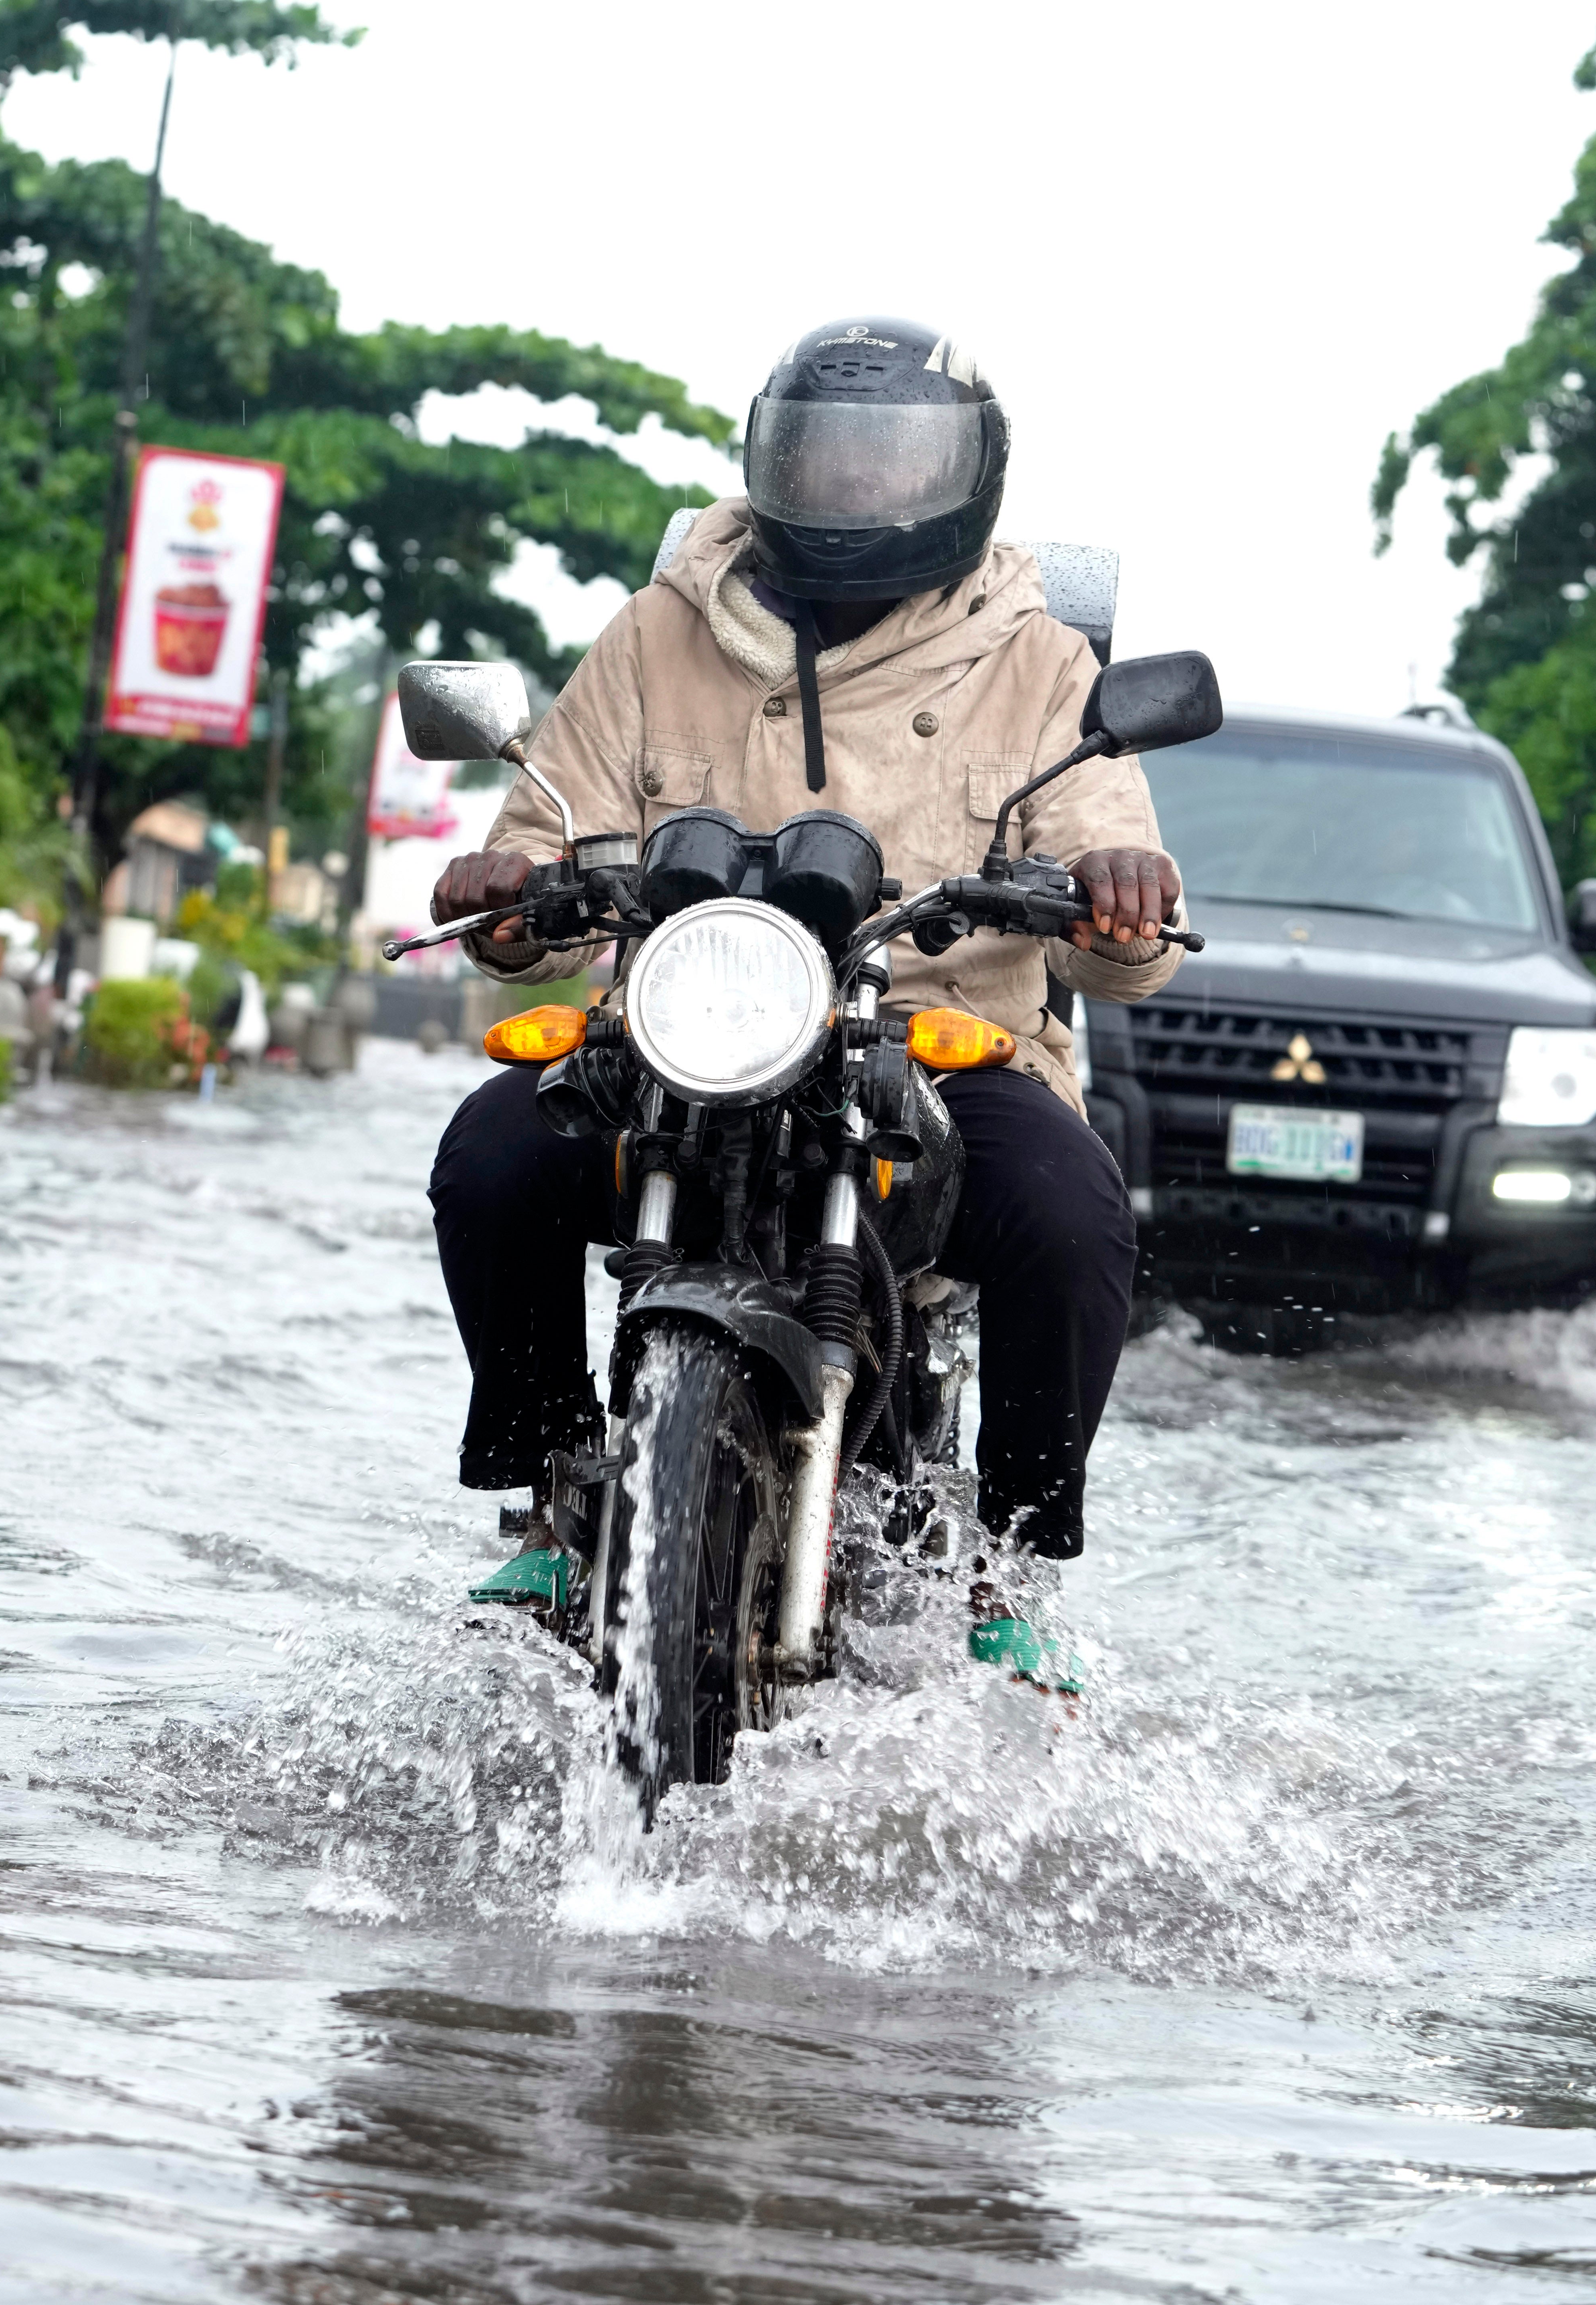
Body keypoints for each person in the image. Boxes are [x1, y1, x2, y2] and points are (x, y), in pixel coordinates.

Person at [423, 315, 1185, 1689]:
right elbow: (538, 865)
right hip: (678, 1036)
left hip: (936, 1045)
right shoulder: (661, 633)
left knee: (1072, 1214)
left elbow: (1121, 919)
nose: (856, 497)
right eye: (829, 465)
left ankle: (1011, 1562)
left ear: (966, 478)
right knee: (492, 1156)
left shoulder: (1036, 657)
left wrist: (1118, 884)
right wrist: (515, 880)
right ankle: (546, 1482)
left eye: (890, 467)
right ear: (769, 460)